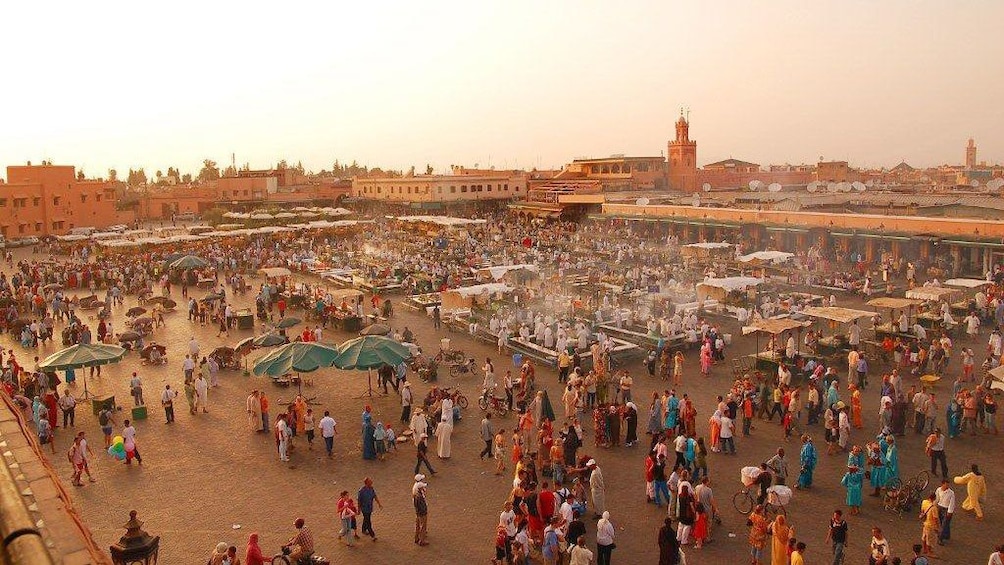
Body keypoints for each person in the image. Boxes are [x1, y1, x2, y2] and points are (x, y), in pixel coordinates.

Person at [935, 478, 956, 545]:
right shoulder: (938, 490)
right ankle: (947, 535)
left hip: (946, 510)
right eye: (946, 485)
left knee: (944, 524)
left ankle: (940, 539)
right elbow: (937, 498)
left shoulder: (951, 493)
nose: (947, 486)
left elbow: (952, 503)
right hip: (939, 508)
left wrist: (950, 512)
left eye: (948, 485)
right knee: (943, 523)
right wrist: (934, 505)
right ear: (942, 484)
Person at [413, 474, 429, 546]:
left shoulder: (415, 489)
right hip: (422, 512)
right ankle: (422, 541)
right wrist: (424, 511)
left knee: (418, 524)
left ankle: (416, 537)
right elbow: (422, 505)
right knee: (423, 525)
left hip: (418, 511)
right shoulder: (419, 496)